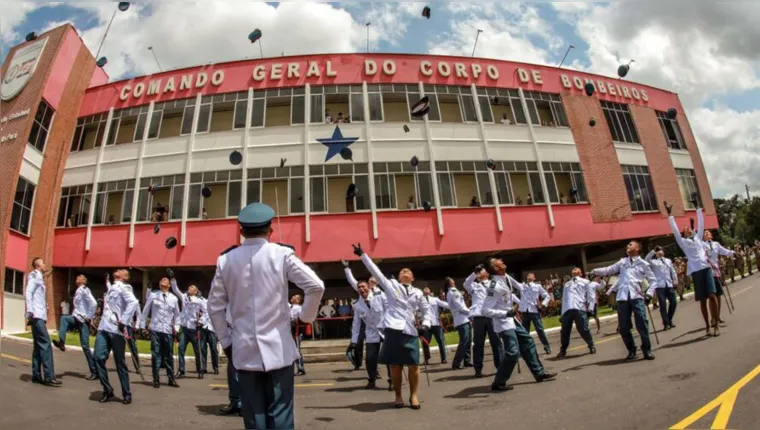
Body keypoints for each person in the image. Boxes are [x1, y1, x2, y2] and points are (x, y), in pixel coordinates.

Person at [208, 202, 325, 430]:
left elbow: (215, 307)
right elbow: (316, 286)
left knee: (254, 417)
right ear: (270, 230)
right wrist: (306, 317)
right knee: (280, 414)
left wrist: (226, 342)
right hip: (278, 349)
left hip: (243, 350)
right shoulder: (282, 254)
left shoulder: (225, 260)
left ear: (241, 231)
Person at [354, 243, 429, 410]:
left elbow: (426, 310)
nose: (404, 272)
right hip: (393, 329)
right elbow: (376, 272)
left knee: (414, 365)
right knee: (395, 365)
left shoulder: (418, 292)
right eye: (402, 271)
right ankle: (398, 396)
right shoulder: (391, 286)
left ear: (413, 277)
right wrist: (363, 255)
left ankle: (414, 396)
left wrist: (426, 324)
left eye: (408, 271)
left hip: (410, 330)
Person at [480, 258, 557, 391]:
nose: (501, 260)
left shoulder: (507, 278)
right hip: (504, 322)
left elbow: (522, 287)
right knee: (513, 352)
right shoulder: (494, 286)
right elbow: (485, 310)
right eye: (498, 261)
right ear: (496, 268)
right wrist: (505, 314)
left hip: (513, 321)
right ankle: (498, 382)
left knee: (528, 342)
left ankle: (539, 373)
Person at [592, 241, 657, 360]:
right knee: (623, 326)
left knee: (642, 323)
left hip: (636, 296)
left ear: (637, 248)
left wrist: (649, 294)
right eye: (627, 245)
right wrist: (595, 271)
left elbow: (653, 281)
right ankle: (631, 349)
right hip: (622, 297)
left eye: (631, 245)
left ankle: (646, 349)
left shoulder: (643, 263)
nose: (628, 246)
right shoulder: (622, 262)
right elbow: (608, 270)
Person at [667, 207, 720, 336]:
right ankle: (707, 325)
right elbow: (674, 231)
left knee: (712, 296)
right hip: (696, 271)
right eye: (685, 229)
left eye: (689, 228)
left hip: (706, 268)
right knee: (703, 299)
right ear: (683, 234)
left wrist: (697, 209)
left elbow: (701, 223)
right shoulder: (683, 242)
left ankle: (716, 324)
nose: (687, 229)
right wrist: (670, 215)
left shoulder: (698, 238)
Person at [95, 268, 139, 404]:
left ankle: (126, 393)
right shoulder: (113, 287)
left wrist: (124, 322)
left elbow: (134, 302)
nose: (117, 270)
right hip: (103, 327)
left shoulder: (124, 287)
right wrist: (107, 280)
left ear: (125, 277)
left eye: (121, 271)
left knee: (120, 363)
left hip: (116, 329)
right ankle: (107, 389)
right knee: (97, 357)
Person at [52, 274, 98, 380]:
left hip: (83, 321)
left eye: (79, 277)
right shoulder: (79, 290)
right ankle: (61, 342)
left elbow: (94, 303)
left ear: (83, 281)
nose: (76, 278)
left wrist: (89, 316)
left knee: (85, 346)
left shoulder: (84, 290)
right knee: (64, 319)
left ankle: (95, 371)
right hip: (77, 318)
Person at [139, 276, 181, 388]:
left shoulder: (173, 298)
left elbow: (177, 315)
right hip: (155, 329)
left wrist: (176, 328)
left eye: (166, 280)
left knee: (168, 355)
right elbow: (145, 310)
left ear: (169, 285)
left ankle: (171, 378)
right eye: (162, 280)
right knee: (155, 354)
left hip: (167, 330)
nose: (164, 281)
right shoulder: (153, 295)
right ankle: (156, 379)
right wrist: (142, 326)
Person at [25, 257, 61, 386]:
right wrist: (30, 311)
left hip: (39, 316)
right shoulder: (34, 275)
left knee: (38, 346)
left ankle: (36, 375)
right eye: (43, 262)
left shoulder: (39, 276)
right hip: (37, 316)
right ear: (38, 265)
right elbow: (28, 292)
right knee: (46, 344)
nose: (45, 264)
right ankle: (49, 376)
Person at [463, 265, 503, 378]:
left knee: (496, 342)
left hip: (492, 316)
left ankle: (500, 366)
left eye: (482, 270)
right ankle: (478, 368)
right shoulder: (474, 286)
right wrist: (474, 272)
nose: (480, 272)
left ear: (488, 274)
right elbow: (465, 284)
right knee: (478, 344)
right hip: (479, 317)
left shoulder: (494, 284)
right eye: (479, 271)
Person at [352, 279, 389, 389]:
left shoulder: (379, 296)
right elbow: (356, 323)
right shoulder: (357, 304)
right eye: (359, 287)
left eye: (363, 286)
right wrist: (354, 341)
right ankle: (372, 379)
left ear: (368, 287)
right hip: (371, 333)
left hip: (384, 330)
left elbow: (389, 309)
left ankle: (392, 380)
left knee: (389, 357)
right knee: (370, 359)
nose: (361, 289)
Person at [170, 277, 205, 379]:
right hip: (184, 327)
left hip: (194, 328)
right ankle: (181, 370)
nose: (189, 288)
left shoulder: (200, 301)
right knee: (181, 349)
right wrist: (173, 279)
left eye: (192, 287)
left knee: (197, 351)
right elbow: (176, 290)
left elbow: (207, 312)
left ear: (196, 291)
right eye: (189, 287)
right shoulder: (184, 297)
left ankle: (200, 370)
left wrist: (201, 321)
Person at [556, 268, 596, 358]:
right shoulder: (567, 284)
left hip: (579, 307)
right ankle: (563, 350)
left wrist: (591, 308)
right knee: (564, 331)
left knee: (583, 328)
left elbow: (591, 296)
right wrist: (562, 314)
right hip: (567, 309)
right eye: (573, 269)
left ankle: (591, 345)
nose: (574, 269)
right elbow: (564, 299)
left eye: (577, 269)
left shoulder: (585, 282)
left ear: (580, 273)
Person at [513, 272, 552, 355]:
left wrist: (543, 304)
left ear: (534, 278)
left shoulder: (538, 286)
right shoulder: (522, 286)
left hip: (534, 311)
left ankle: (546, 345)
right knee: (524, 332)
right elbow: (513, 282)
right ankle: (523, 350)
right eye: (528, 275)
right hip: (525, 312)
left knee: (540, 330)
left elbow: (547, 296)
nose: (529, 276)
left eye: (531, 275)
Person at [702, 230, 735, 324]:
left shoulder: (716, 244)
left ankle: (718, 316)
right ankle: (713, 318)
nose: (707, 235)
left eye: (708, 233)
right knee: (712, 295)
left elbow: (724, 251)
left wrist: (732, 253)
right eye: (705, 234)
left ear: (711, 236)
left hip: (716, 271)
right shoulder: (702, 245)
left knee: (718, 295)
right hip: (708, 271)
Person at [644, 246, 679, 330]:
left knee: (674, 302)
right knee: (662, 305)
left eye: (661, 250)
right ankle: (666, 323)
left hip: (669, 284)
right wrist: (653, 251)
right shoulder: (652, 261)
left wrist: (675, 280)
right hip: (660, 285)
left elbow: (672, 271)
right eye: (658, 251)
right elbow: (646, 259)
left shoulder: (668, 260)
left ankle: (669, 319)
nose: (660, 252)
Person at [445, 277, 472, 369]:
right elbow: (460, 307)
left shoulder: (451, 292)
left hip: (464, 319)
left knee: (468, 341)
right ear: (450, 283)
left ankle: (467, 361)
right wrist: (471, 312)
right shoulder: (453, 292)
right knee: (464, 341)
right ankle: (456, 363)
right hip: (461, 320)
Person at [220, 307, 242, 416]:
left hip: (248, 332)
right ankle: (236, 402)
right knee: (232, 370)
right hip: (233, 332)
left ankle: (246, 403)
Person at [421, 287, 449, 365]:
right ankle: (426, 359)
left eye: (427, 290)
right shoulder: (420, 300)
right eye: (424, 290)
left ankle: (444, 358)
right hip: (426, 324)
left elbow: (444, 304)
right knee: (425, 342)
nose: (426, 291)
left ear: (430, 292)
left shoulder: (435, 299)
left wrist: (453, 305)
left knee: (441, 341)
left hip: (436, 323)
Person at [199, 294, 220, 376]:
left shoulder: (217, 304)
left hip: (212, 328)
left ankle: (216, 367)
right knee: (202, 348)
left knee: (214, 349)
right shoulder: (202, 302)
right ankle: (203, 368)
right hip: (203, 327)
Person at [289, 295, 306, 376]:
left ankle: (301, 368)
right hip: (291, 331)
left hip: (296, 332)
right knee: (293, 350)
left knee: (297, 350)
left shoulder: (298, 308)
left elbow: (301, 319)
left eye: (295, 297)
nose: (293, 297)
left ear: (298, 300)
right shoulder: (290, 307)